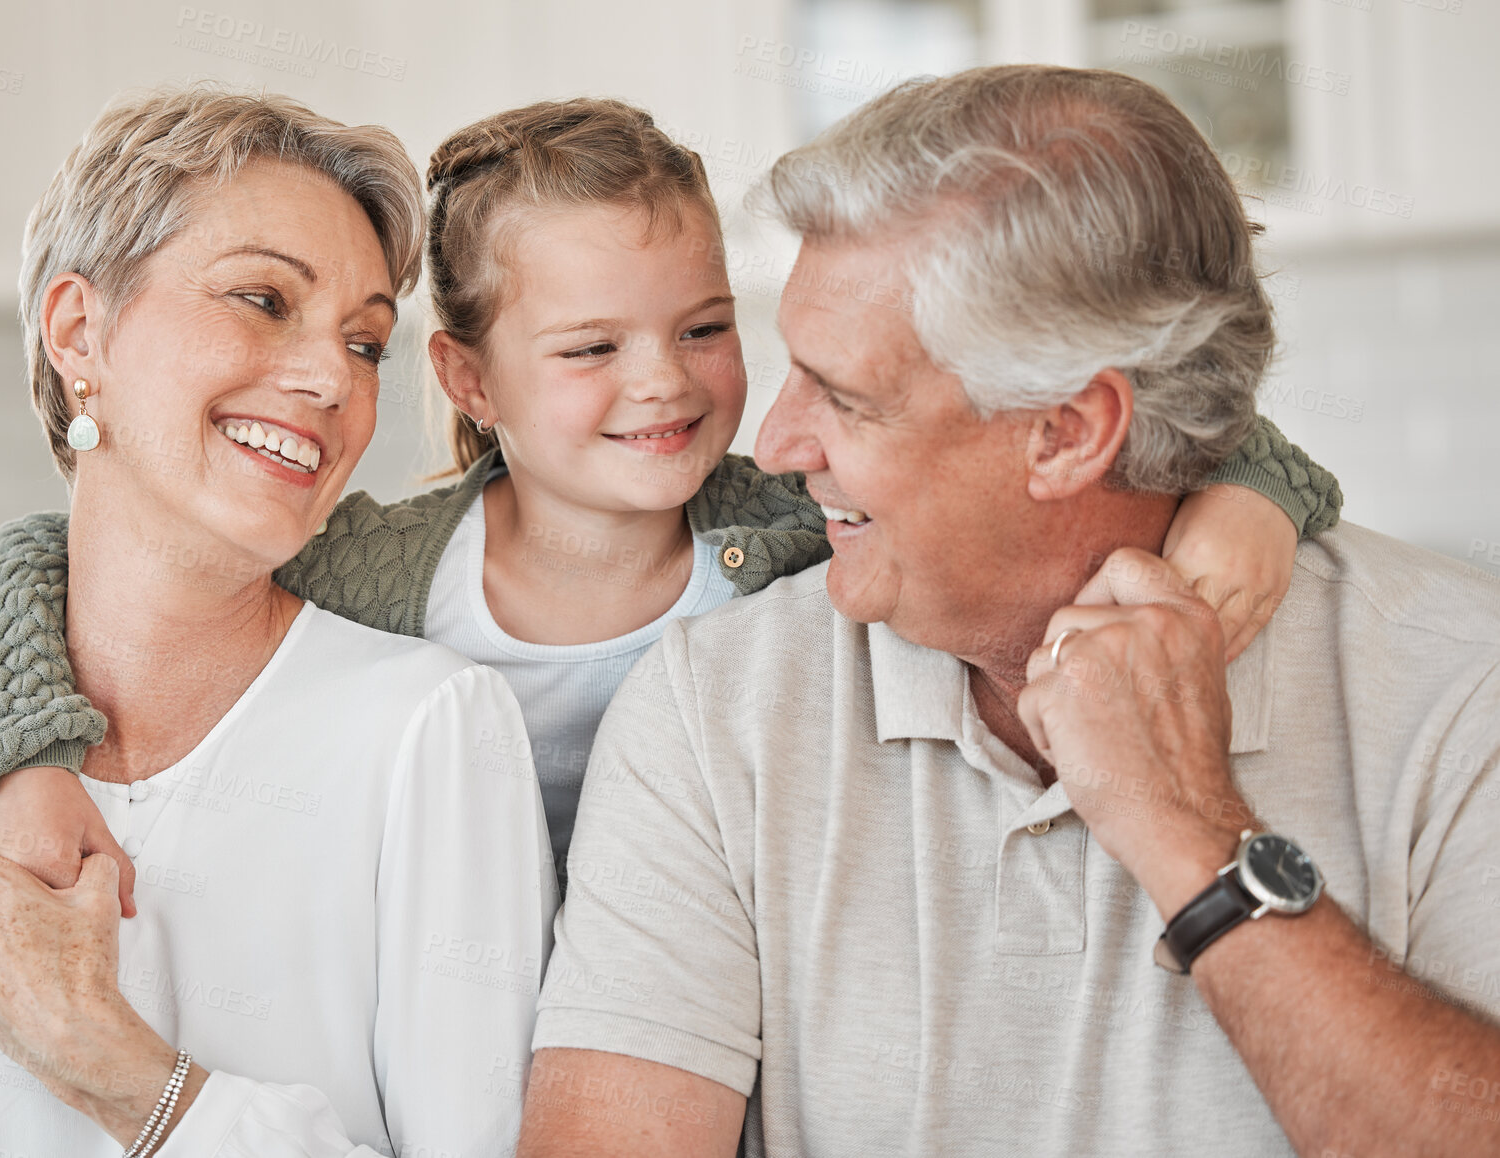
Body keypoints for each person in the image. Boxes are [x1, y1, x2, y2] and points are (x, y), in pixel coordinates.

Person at [0, 99, 1338, 911]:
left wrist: (1250, 500)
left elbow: (1124, 424)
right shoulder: (376, 566)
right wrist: (20, 759)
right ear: (466, 375)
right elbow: (53, 561)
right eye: (592, 348)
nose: (664, 386)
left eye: (707, 326)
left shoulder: (793, 528)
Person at [517, 66, 1500, 1156]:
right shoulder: (716, 711)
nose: (779, 447)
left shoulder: (1462, 693)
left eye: (843, 396)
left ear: (1069, 432)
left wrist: (1188, 827)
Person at [0, 85, 554, 1157]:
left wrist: (120, 1072)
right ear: (79, 330)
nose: (332, 376)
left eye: (366, 343)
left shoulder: (432, 734)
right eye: (264, 300)